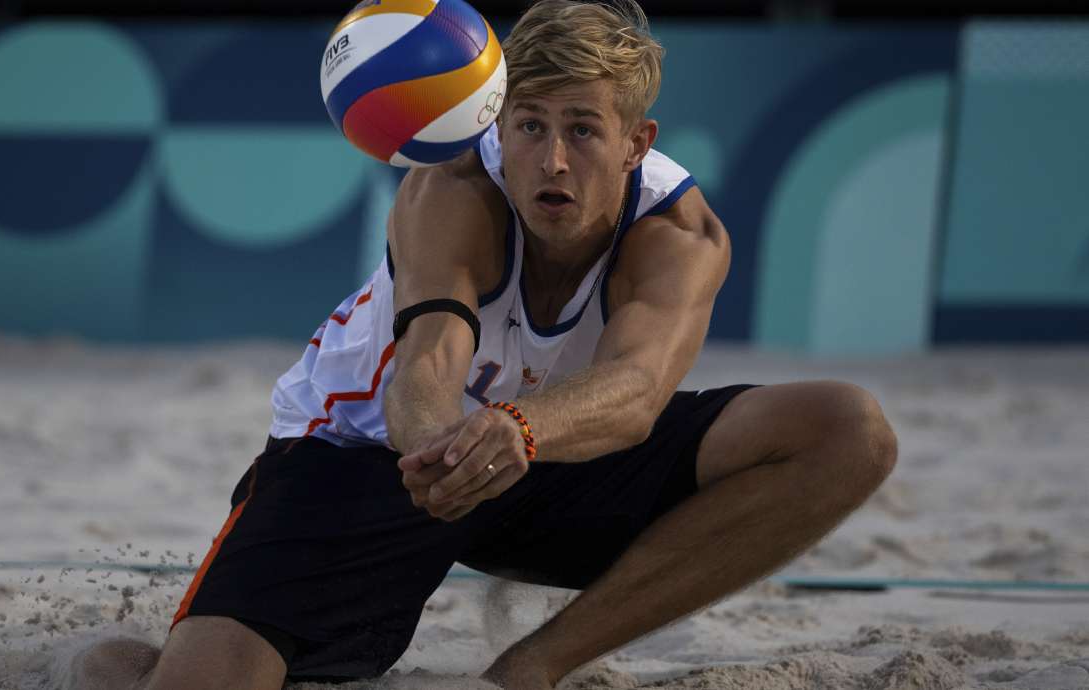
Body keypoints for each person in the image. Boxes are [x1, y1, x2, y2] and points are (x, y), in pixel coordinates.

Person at [69, 1, 897, 688]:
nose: (552, 160)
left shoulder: (679, 228)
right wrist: (444, 453)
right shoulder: (453, 187)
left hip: (540, 450)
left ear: (637, 142)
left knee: (846, 429)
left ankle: (533, 666)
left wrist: (515, 433)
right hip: (368, 459)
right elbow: (429, 362)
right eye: (529, 125)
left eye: (582, 129)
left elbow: (638, 391)